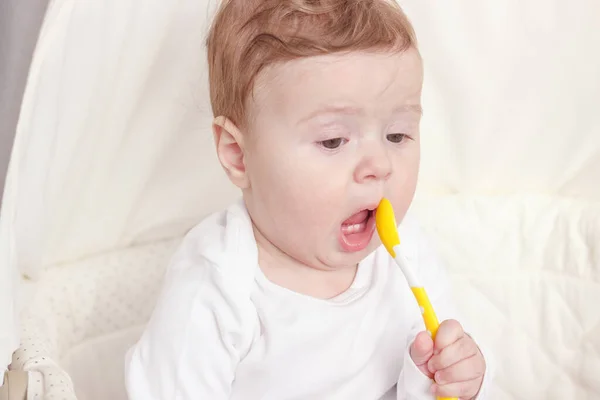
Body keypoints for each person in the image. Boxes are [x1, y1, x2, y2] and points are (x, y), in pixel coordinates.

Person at [125, 0, 491, 398]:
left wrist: (453, 378)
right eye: (333, 140)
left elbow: (433, 379)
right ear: (237, 154)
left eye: (397, 135)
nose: (380, 165)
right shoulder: (214, 289)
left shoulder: (407, 253)